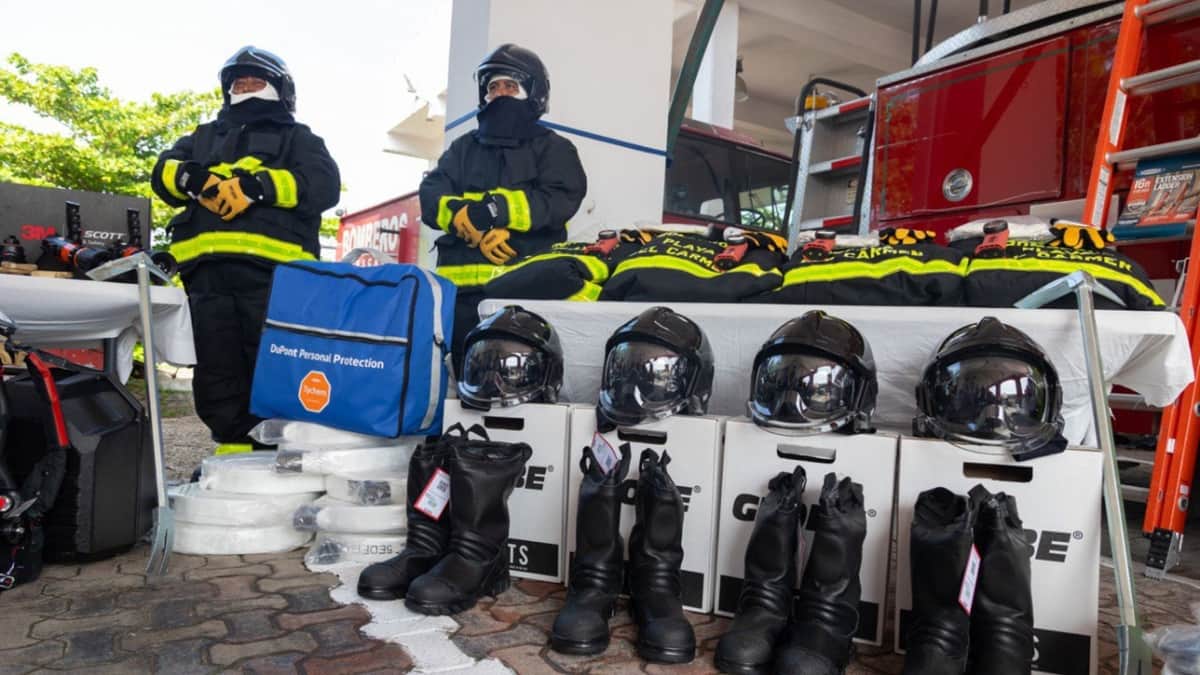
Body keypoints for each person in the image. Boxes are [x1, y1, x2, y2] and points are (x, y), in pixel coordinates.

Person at [150, 46, 340, 455]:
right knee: (216, 367)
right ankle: (231, 453)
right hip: (207, 275)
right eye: (238, 82)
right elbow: (162, 172)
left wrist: (256, 188)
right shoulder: (199, 139)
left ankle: (277, 451)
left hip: (274, 278)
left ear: (280, 90)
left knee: (274, 364)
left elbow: (323, 185)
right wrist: (195, 180)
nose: (246, 88)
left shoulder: (299, 139)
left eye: (256, 82)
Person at [419, 43, 587, 374]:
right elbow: (431, 195)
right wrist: (465, 221)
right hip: (460, 302)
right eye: (493, 87)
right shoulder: (462, 148)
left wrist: (495, 211)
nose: (500, 94)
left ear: (533, 93)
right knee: (456, 390)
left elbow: (560, 198)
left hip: (526, 299)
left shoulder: (555, 149)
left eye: (510, 86)